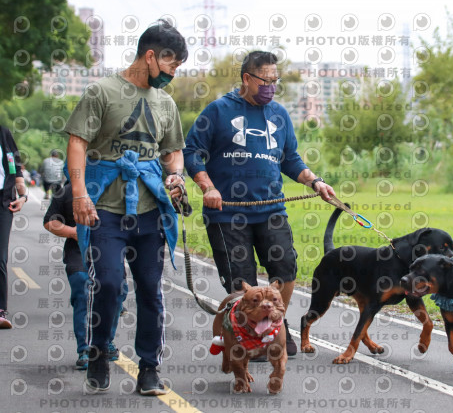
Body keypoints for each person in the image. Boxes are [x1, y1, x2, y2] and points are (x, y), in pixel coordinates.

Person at [183, 51, 335, 359]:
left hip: (271, 211)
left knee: (287, 269)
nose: (271, 87)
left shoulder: (279, 114)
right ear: (247, 79)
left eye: (275, 81)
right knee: (243, 282)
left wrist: (315, 182)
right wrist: (207, 186)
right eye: (265, 81)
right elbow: (191, 153)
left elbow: (290, 160)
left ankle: (274, 325)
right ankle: (249, 332)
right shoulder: (217, 111)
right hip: (227, 214)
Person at [65, 19, 187, 395]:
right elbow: (77, 142)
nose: (172, 74)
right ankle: (100, 351)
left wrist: (176, 177)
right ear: (150, 56)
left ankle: (149, 367)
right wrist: (80, 195)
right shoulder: (101, 92)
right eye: (170, 66)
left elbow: (174, 152)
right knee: (109, 285)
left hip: (150, 212)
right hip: (105, 211)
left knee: (151, 289)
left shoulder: (165, 103)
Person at [43, 182, 128, 369]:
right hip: (79, 253)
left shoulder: (116, 186)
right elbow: (50, 221)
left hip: (111, 253)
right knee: (83, 288)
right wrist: (73, 232)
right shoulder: (67, 191)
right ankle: (85, 349)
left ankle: (107, 341)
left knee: (117, 291)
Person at [0, 125, 28, 329]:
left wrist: (23, 195)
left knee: (0, 256)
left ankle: (0, 310)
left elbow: (14, 167)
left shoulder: (3, 132)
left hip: (3, 200)